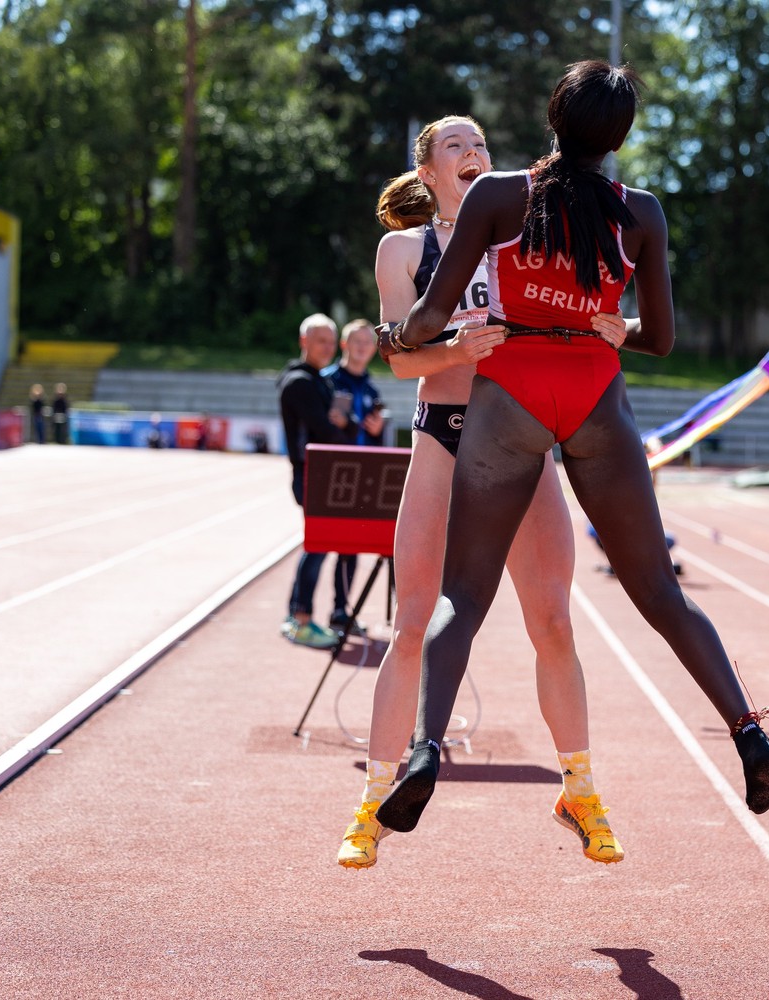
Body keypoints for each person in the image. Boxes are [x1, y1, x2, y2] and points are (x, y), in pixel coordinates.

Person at [372, 62, 769, 839]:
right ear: (620, 137)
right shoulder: (644, 212)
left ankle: (426, 753)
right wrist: (616, 327)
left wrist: (393, 339)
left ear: (552, 116)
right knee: (659, 590)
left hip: (513, 395)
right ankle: (748, 733)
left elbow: (430, 318)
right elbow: (660, 339)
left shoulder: (499, 193)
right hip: (596, 396)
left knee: (463, 598)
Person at [336, 114, 625, 870]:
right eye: (456, 147)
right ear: (428, 171)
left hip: (520, 436)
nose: (475, 154)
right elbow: (400, 364)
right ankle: (371, 802)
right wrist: (454, 348)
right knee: (411, 619)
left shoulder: (524, 236)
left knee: (554, 619)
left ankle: (581, 793)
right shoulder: (403, 249)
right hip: (442, 431)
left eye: (482, 145)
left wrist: (614, 325)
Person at [277, 313, 346, 650]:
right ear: (304, 341)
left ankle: (298, 616)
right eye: (321, 341)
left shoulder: (319, 379)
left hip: (322, 473)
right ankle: (300, 619)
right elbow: (325, 430)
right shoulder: (299, 382)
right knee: (317, 546)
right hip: (310, 473)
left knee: (319, 545)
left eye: (332, 342)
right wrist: (337, 424)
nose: (328, 348)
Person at [323, 319, 389, 633]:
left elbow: (373, 436)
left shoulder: (372, 388)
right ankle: (300, 613)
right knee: (318, 546)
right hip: (332, 472)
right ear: (345, 345)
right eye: (357, 341)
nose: (363, 347)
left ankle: (341, 612)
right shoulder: (327, 381)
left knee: (351, 546)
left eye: (369, 342)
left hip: (363, 473)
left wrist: (379, 431)